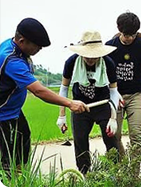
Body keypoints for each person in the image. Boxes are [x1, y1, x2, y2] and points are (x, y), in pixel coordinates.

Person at [0, 18, 88, 173]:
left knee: (23, 145)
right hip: (3, 116)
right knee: (8, 159)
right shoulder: (12, 60)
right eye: (37, 46)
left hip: (13, 112)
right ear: (22, 41)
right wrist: (70, 103)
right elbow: (38, 91)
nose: (39, 49)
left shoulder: (16, 47)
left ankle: (20, 178)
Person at [57, 30, 119, 175]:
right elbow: (64, 88)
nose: (90, 59)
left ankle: (116, 173)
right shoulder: (72, 62)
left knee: (111, 140)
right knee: (80, 141)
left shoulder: (108, 63)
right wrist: (62, 115)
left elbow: (114, 91)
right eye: (87, 55)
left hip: (103, 104)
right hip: (79, 106)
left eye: (94, 56)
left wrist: (113, 118)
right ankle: (85, 174)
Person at [105, 12, 141, 157]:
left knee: (136, 136)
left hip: (136, 95)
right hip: (115, 95)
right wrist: (113, 94)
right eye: (125, 35)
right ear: (119, 30)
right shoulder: (109, 47)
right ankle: (122, 169)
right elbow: (103, 74)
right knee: (114, 136)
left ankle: (135, 175)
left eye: (132, 35)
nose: (128, 38)